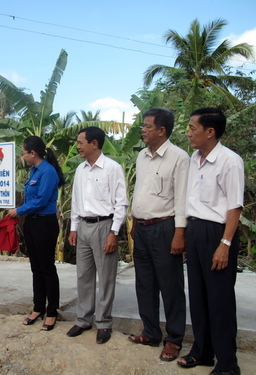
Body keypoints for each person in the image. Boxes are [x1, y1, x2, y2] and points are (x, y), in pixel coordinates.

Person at [177, 108, 244, 375]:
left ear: (210, 132)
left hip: (217, 233)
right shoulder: (194, 158)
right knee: (199, 297)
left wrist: (225, 245)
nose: (189, 133)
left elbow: (234, 207)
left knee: (220, 301)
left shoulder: (230, 161)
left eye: (193, 128)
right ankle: (202, 352)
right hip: (195, 231)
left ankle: (228, 364)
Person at [128, 107, 189, 361]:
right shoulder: (142, 156)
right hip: (141, 228)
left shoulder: (179, 157)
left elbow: (183, 200)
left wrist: (179, 233)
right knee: (144, 284)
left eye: (147, 126)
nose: (143, 130)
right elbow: (139, 190)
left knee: (171, 286)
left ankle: (173, 340)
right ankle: (151, 332)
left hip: (165, 228)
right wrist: (133, 220)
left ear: (162, 131)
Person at [67, 126, 128, 344]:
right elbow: (76, 201)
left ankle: (103, 323)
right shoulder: (80, 170)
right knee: (83, 275)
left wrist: (114, 232)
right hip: (83, 226)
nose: (78, 146)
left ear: (95, 144)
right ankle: (83, 319)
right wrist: (74, 228)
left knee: (106, 277)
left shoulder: (112, 168)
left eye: (81, 142)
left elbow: (121, 203)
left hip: (105, 226)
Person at [6, 136, 65, 331]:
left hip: (45, 224)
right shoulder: (33, 171)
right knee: (36, 267)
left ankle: (52, 311)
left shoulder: (47, 172)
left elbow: (40, 201)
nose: (23, 156)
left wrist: (19, 210)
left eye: (23, 153)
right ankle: (38, 307)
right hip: (32, 223)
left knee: (47, 268)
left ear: (33, 153)